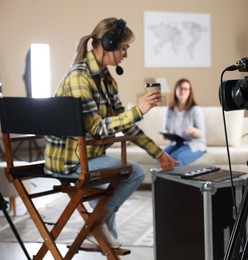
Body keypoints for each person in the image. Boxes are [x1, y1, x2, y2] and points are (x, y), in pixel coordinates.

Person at [44, 17, 176, 248]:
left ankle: (101, 238)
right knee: (132, 172)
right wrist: (139, 110)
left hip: (88, 155)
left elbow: (125, 124)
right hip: (69, 160)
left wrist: (158, 153)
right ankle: (95, 227)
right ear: (108, 43)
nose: (125, 54)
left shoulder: (106, 80)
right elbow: (95, 128)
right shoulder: (79, 78)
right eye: (123, 48)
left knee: (111, 186)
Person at [163, 78, 206, 166]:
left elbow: (202, 133)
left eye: (186, 89)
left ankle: (175, 180)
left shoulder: (196, 110)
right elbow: (166, 129)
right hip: (177, 143)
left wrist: (194, 131)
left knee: (176, 157)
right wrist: (166, 135)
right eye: (180, 88)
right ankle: (164, 179)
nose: (183, 91)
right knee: (161, 156)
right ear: (175, 90)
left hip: (194, 144)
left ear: (190, 92)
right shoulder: (170, 110)